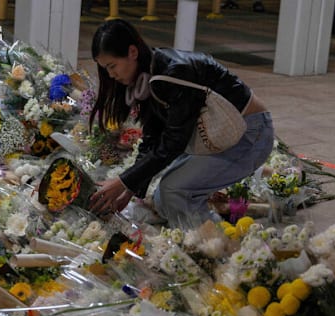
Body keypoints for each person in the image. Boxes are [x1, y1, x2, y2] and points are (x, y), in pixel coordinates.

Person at [87, 19, 273, 225]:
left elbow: (173, 143)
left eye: (112, 66)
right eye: (106, 69)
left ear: (132, 52)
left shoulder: (172, 74)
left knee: (174, 192)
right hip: (220, 136)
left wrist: (122, 182)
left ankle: (216, 241)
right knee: (163, 200)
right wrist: (129, 190)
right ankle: (200, 234)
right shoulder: (150, 74)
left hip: (250, 134)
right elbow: (152, 137)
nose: (111, 75)